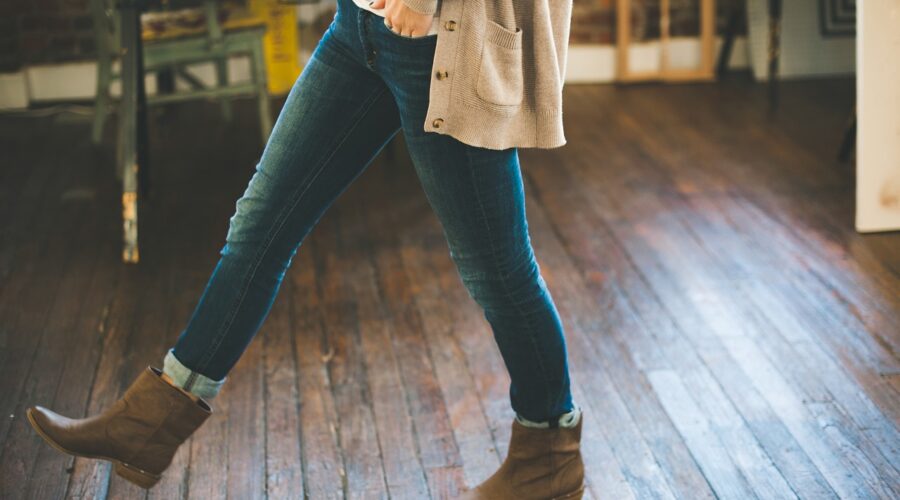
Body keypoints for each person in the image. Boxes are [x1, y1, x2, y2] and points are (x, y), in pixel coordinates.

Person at [27, 0, 584, 497]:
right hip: (356, 28)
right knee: (259, 225)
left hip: (438, 43)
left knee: (497, 272)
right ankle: (151, 423)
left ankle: (549, 454)